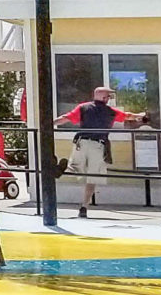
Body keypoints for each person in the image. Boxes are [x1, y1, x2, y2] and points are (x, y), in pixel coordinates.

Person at [58, 86, 137, 218]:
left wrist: (48, 124)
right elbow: (127, 116)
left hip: (82, 142)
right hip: (98, 145)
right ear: (103, 97)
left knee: (75, 167)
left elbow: (66, 117)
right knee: (92, 177)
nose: (108, 99)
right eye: (107, 96)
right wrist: (140, 116)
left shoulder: (83, 108)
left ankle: (61, 169)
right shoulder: (110, 111)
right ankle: (84, 206)